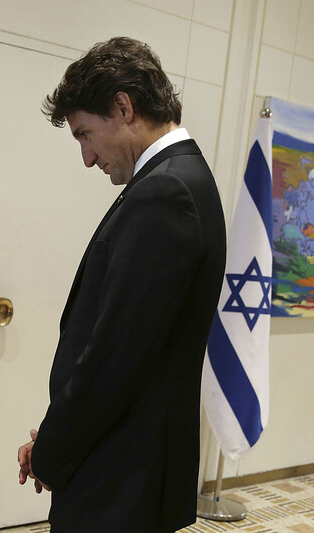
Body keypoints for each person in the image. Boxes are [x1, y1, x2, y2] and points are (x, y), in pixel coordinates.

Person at [17, 37, 227, 532]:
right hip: (125, 465)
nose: (88, 158)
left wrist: (51, 451)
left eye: (85, 134)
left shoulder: (165, 192)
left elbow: (114, 359)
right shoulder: (175, 179)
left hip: (120, 477)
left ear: (123, 106)